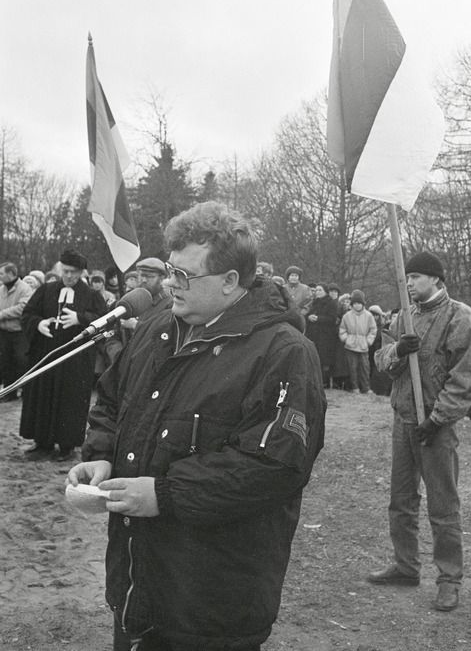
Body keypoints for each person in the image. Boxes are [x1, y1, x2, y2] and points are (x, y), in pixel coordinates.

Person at [67, 201, 326, 651]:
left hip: (211, 602)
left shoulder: (284, 353)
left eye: (184, 276)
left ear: (230, 280)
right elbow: (111, 398)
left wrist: (166, 494)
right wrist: (102, 454)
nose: (170, 283)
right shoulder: (156, 327)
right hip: (135, 580)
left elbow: (276, 466)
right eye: (170, 270)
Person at [368, 251, 471, 612]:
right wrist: (398, 351)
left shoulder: (459, 317)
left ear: (435, 279)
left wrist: (437, 419)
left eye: (415, 277)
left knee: (443, 505)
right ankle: (405, 566)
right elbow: (381, 361)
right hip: (404, 420)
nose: (409, 284)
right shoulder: (405, 315)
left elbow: (466, 378)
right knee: (401, 500)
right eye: (408, 278)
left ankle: (449, 579)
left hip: (435, 427)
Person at [19, 249, 107, 461]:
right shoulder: (46, 290)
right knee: (43, 395)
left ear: (81, 272)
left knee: (70, 399)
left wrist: (80, 319)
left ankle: (67, 446)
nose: (68, 276)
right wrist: (38, 324)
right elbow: (28, 313)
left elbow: (104, 320)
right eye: (65, 271)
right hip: (46, 353)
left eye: (73, 272)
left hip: (75, 358)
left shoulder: (92, 295)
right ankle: (42, 443)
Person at [0, 262, 33, 401]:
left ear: (11, 274)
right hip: (4, 332)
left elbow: (23, 308)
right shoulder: (1, 289)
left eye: (1, 273)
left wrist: (2, 314)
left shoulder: (25, 289)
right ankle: (9, 393)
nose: (0, 276)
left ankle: (26, 391)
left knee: (21, 361)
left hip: (19, 333)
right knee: (6, 362)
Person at [338, 290, 377, 394]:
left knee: (365, 368)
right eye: (355, 303)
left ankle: (366, 387)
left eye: (359, 303)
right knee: (352, 368)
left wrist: (368, 341)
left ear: (363, 304)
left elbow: (373, 330)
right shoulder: (346, 316)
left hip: (363, 346)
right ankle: (355, 387)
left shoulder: (369, 316)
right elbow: (342, 329)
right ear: (352, 304)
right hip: (350, 346)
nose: (357, 305)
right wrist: (346, 339)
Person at [305, 283, 338, 386]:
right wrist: (309, 317)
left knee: (324, 359)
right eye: (316, 290)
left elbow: (332, 318)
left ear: (325, 292)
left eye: (320, 290)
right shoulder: (314, 302)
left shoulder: (331, 303)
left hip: (326, 335)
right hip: (313, 334)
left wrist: (318, 318)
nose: (317, 292)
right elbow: (308, 313)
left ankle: (324, 381)